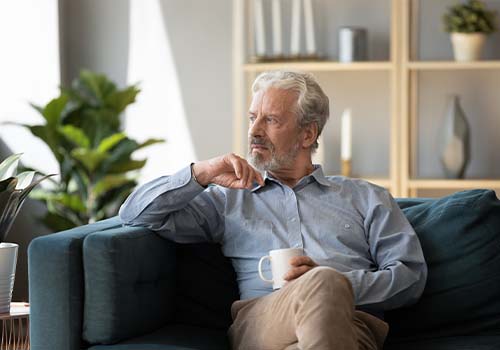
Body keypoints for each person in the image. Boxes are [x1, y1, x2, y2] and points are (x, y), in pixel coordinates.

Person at [119, 70, 427, 350]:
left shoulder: (366, 197)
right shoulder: (230, 198)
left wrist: (339, 285)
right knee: (323, 283)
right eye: (253, 117)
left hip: (350, 325)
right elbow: (134, 213)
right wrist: (202, 172)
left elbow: (410, 277)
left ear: (308, 134)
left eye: (271, 120)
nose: (254, 131)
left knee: (323, 291)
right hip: (262, 322)